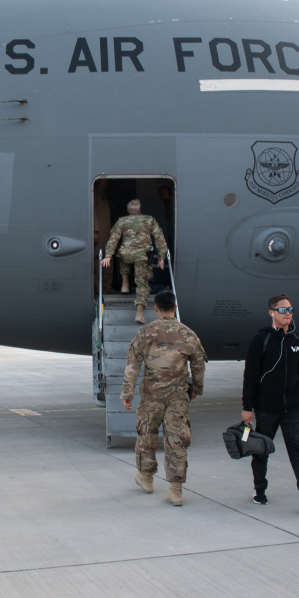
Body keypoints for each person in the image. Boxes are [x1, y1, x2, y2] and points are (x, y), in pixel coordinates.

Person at [241, 294, 299, 513]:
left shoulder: (298, 340)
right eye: (283, 310)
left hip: (293, 408)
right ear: (271, 313)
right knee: (261, 451)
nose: (288, 314)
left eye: (290, 310)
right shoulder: (261, 339)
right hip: (267, 408)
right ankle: (259, 489)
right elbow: (250, 375)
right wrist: (247, 407)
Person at [121, 289, 206, 506]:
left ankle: (146, 478)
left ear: (156, 308)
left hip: (151, 397)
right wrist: (196, 388)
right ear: (175, 308)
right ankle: (176, 490)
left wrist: (127, 393)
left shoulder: (145, 333)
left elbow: (133, 365)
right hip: (178, 397)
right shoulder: (188, 334)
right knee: (176, 439)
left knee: (146, 435)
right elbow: (198, 365)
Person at [100, 199, 168, 324]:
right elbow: (159, 238)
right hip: (142, 256)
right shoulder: (149, 220)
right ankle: (139, 313)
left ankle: (125, 284)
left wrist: (108, 255)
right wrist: (161, 257)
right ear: (140, 210)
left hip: (126, 255)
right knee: (142, 283)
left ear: (128, 211)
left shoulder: (121, 220)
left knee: (122, 255)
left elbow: (113, 238)